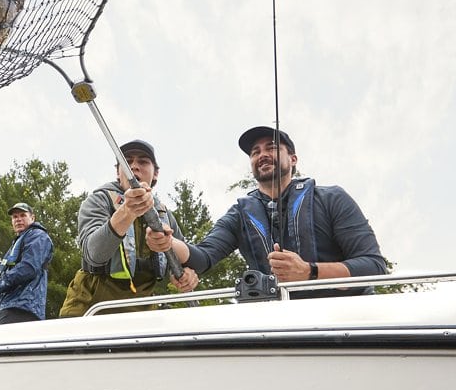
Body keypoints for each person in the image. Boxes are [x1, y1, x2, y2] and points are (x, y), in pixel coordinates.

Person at [146, 126, 386, 297]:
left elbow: (374, 266)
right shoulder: (239, 213)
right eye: (255, 152)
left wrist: (309, 272)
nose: (262, 155)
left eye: (271, 147)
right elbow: (204, 257)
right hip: (276, 327)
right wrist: (167, 242)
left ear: (293, 159)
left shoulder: (332, 198)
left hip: (345, 320)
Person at [59, 139, 199, 317]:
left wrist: (185, 275)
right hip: (90, 309)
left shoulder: (166, 216)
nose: (134, 166)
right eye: (127, 161)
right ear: (118, 172)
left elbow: (180, 262)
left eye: (142, 161)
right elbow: (94, 254)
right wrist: (127, 211)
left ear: (155, 173)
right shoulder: (98, 201)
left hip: (141, 313)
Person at [0, 202, 54, 324]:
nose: (18, 220)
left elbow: (28, 268)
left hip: (22, 310)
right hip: (5, 310)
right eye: (15, 217)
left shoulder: (38, 236)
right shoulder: (16, 243)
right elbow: (10, 280)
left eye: (23, 215)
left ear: (32, 218)